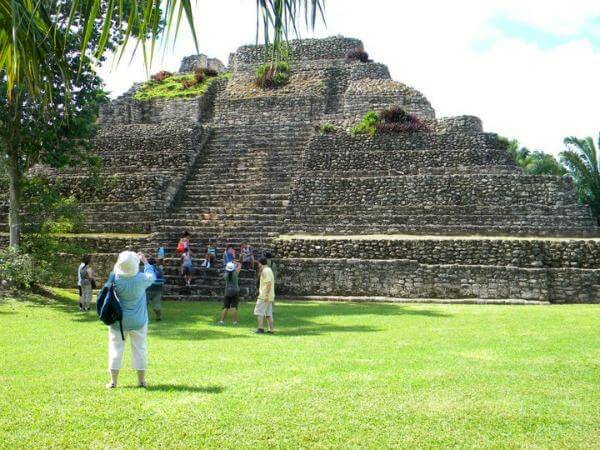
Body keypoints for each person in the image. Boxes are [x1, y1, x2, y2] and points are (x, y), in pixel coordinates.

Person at [106, 251, 155, 389]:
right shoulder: (141, 278)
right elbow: (153, 276)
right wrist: (145, 262)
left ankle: (113, 382)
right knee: (140, 349)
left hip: (118, 321)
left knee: (115, 349)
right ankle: (141, 381)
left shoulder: (115, 278)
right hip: (139, 321)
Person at [254, 256, 275, 334]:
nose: (258, 265)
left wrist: (265, 295)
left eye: (258, 263)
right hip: (270, 296)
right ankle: (271, 330)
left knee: (259, 312)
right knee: (268, 314)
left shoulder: (265, 271)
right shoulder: (269, 270)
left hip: (264, 296)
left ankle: (260, 328)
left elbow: (268, 283)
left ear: (260, 263)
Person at [218, 262, 241, 326]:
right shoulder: (235, 273)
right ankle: (235, 322)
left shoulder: (225, 275)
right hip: (235, 291)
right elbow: (240, 265)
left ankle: (221, 321)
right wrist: (235, 262)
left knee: (225, 307)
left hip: (227, 292)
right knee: (233, 307)